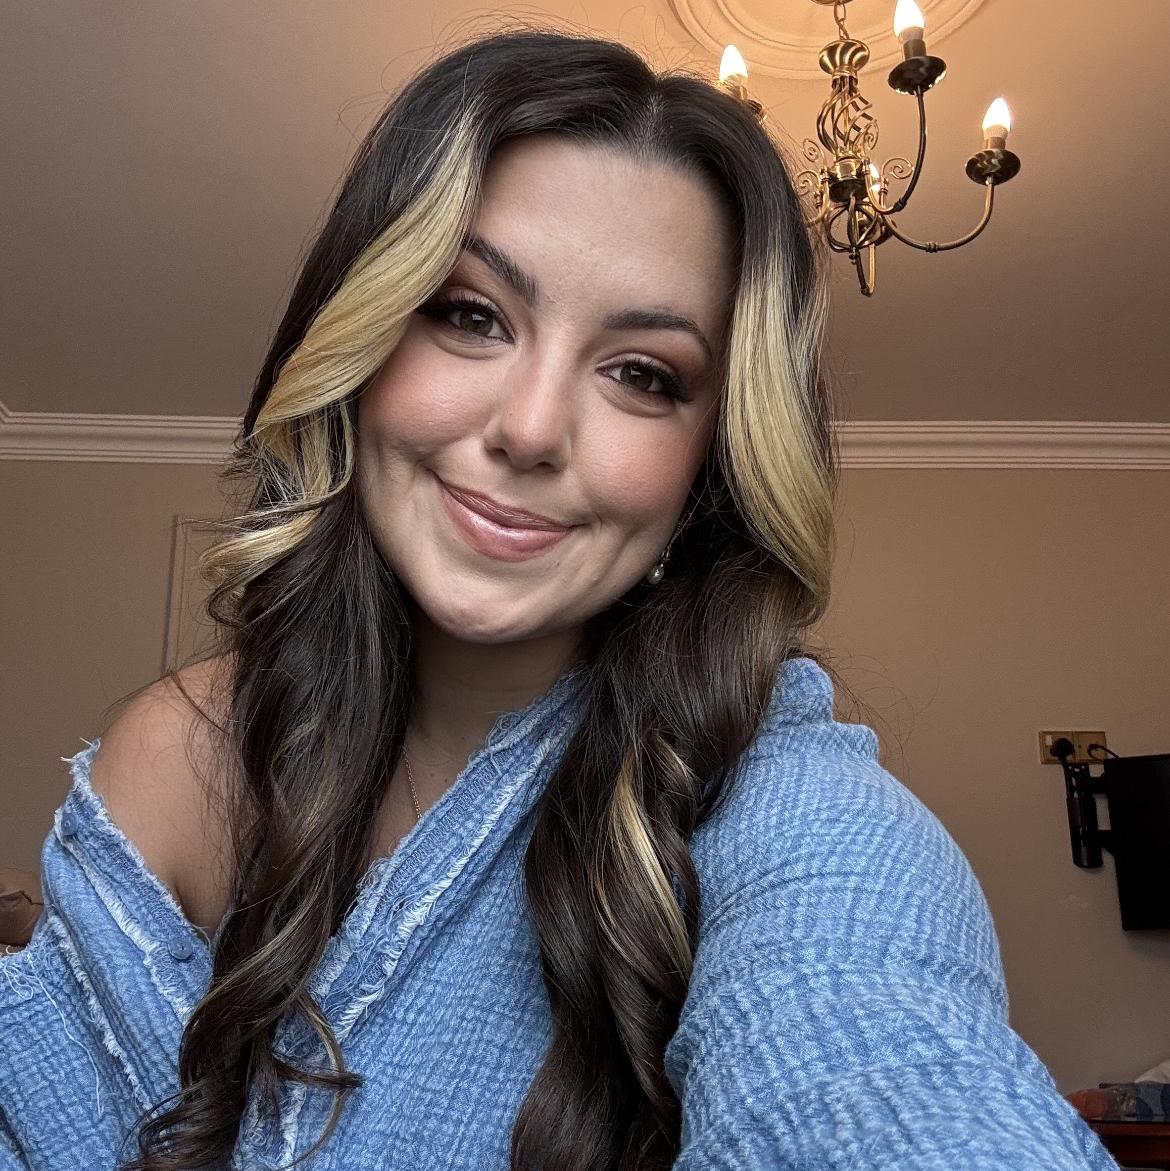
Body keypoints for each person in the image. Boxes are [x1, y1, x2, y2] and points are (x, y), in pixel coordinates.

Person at [0, 25, 1120, 1171]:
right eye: (469, 312)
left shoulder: (775, 795)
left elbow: (867, 1048)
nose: (532, 429)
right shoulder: (184, 750)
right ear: (360, 336)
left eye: (643, 375)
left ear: (708, 468)